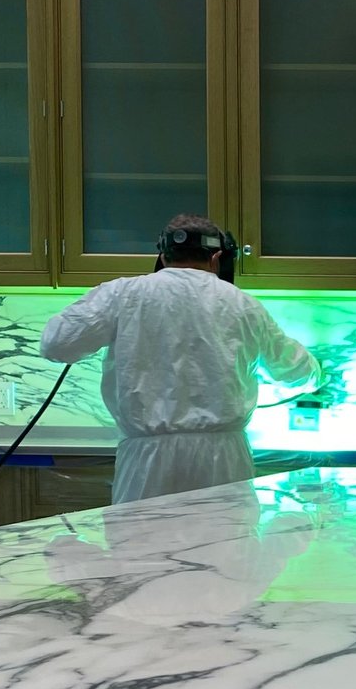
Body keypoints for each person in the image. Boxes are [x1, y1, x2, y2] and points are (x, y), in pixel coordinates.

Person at [41, 214, 319, 506]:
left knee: (141, 547)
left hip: (148, 462)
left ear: (162, 257)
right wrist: (318, 374)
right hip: (223, 461)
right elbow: (296, 370)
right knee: (226, 548)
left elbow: (56, 344)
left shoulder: (121, 294)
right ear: (218, 258)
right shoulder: (243, 304)